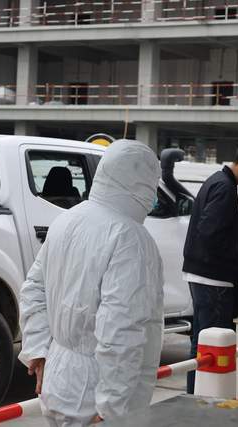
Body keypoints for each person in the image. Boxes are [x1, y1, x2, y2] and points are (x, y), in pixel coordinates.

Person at [18, 140, 164, 426]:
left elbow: (34, 288)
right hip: (97, 392)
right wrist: (111, 405)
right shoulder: (129, 237)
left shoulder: (67, 220)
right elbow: (120, 328)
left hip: (58, 378)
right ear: (141, 182)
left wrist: (38, 348)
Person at [183, 143, 238, 394]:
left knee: (201, 342)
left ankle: (195, 396)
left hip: (202, 275)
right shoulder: (224, 188)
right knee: (215, 343)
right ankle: (206, 399)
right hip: (214, 280)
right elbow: (210, 232)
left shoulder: (216, 181)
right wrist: (236, 255)